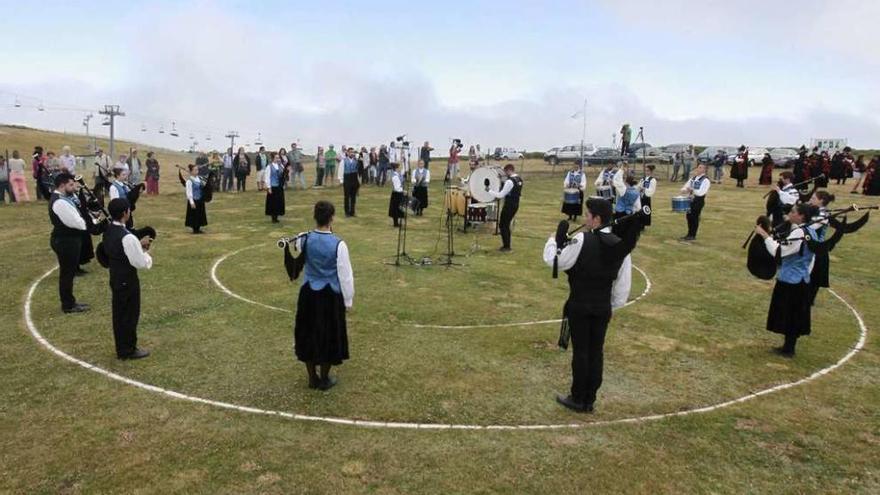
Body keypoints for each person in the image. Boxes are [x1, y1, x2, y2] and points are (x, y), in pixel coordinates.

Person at [543, 198, 629, 412]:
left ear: (597, 219)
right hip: (602, 308)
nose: (584, 218)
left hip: (580, 305)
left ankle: (579, 397)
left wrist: (553, 241)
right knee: (596, 351)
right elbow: (621, 287)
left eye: (587, 214)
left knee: (582, 352)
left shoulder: (582, 239)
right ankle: (589, 398)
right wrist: (609, 306)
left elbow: (555, 262)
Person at [290, 201, 353, 390]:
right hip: (329, 295)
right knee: (329, 334)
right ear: (332, 217)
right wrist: (348, 300)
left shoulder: (304, 239)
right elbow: (345, 275)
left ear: (315, 217)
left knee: (307, 332)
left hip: (308, 293)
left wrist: (300, 237)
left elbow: (296, 249)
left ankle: (312, 377)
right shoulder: (339, 245)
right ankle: (323, 378)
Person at [754, 203, 818, 357]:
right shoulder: (810, 231)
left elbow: (778, 252)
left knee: (790, 315)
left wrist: (764, 235)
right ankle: (788, 346)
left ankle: (789, 349)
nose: (790, 213)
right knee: (793, 314)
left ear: (801, 216)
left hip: (791, 281)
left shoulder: (799, 233)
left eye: (793, 211)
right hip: (801, 279)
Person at [103, 198, 153, 360]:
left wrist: (138, 246)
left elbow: (119, 251)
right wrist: (145, 252)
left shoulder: (109, 230)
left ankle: (122, 347)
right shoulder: (127, 237)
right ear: (125, 213)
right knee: (129, 315)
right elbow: (138, 262)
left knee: (119, 314)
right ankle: (128, 349)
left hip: (116, 276)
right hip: (127, 279)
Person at [48, 173, 89, 313]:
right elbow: (77, 223)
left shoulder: (64, 198)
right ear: (62, 185)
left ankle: (69, 302)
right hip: (65, 241)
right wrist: (86, 222)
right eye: (71, 185)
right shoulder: (59, 202)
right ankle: (68, 305)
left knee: (68, 272)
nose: (74, 187)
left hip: (69, 239)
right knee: (67, 273)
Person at [807, 191, 835, 306]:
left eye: (813, 198)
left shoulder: (823, 215)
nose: (810, 200)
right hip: (811, 246)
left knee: (814, 276)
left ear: (821, 201)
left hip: (818, 248)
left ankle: (809, 299)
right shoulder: (813, 211)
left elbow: (810, 227)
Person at [488, 164, 523, 252]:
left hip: (509, 205)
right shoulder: (519, 179)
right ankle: (507, 245)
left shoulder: (510, 181)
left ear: (509, 170)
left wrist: (489, 191)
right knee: (506, 224)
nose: (505, 174)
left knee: (503, 225)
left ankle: (506, 246)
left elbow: (500, 195)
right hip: (515, 204)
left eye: (505, 172)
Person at [680, 163, 710, 241]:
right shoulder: (693, 178)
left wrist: (692, 190)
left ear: (704, 170)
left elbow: (701, 192)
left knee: (694, 217)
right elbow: (685, 186)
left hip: (698, 201)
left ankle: (693, 235)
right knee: (689, 217)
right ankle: (689, 234)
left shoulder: (705, 180)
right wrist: (684, 190)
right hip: (690, 200)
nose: (698, 169)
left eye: (700, 168)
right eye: (698, 167)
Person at [184, 164, 208, 233]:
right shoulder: (189, 181)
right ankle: (195, 229)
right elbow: (189, 192)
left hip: (200, 199)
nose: (197, 171)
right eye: (195, 170)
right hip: (194, 200)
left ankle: (199, 227)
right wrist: (191, 202)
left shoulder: (199, 178)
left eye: (197, 169)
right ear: (191, 171)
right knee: (194, 215)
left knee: (200, 214)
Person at [337, 147, 360, 217]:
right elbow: (340, 170)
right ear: (347, 153)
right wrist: (341, 180)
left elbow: (359, 171)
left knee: (353, 197)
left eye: (353, 152)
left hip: (354, 178)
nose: (352, 153)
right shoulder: (344, 161)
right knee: (347, 196)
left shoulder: (356, 161)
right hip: (347, 178)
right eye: (350, 152)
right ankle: (346, 212)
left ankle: (352, 212)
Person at [264, 153, 286, 223]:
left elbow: (283, 175)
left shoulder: (281, 166)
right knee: (273, 203)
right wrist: (269, 187)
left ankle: (277, 216)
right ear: (273, 158)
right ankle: (273, 218)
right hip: (273, 187)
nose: (278, 159)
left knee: (279, 202)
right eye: (276, 158)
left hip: (279, 186)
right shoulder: (269, 167)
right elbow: (267, 178)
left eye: (278, 158)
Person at [388, 162, 404, 227]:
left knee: (398, 208)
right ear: (396, 168)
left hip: (398, 192)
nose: (400, 168)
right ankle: (395, 223)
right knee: (396, 208)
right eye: (399, 167)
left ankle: (397, 222)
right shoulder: (394, 176)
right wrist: (403, 190)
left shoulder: (397, 174)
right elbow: (397, 187)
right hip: (397, 193)